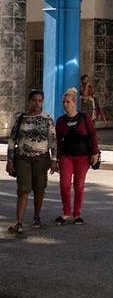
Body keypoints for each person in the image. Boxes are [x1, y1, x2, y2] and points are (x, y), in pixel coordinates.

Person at [6, 88, 57, 234]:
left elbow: (53, 141)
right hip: (22, 159)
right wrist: (10, 160)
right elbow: (12, 140)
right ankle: (19, 222)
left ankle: (36, 217)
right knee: (23, 190)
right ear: (29, 101)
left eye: (40, 101)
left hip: (41, 159)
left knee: (39, 189)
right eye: (34, 100)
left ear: (42, 102)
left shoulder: (47, 119)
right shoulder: (21, 118)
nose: (37, 103)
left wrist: (54, 159)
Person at [55, 88, 99, 225]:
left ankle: (77, 214)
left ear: (74, 103)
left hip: (83, 157)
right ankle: (66, 212)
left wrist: (95, 153)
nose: (65, 104)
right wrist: (55, 158)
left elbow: (92, 135)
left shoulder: (84, 118)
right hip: (66, 156)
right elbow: (57, 141)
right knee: (64, 184)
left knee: (79, 185)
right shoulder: (60, 121)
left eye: (68, 102)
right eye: (63, 102)